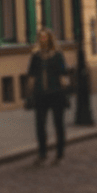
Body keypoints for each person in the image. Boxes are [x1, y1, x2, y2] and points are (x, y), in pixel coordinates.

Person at [26, 28, 70, 165]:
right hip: (40, 94)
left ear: (50, 39)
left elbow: (63, 74)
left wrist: (65, 89)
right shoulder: (36, 56)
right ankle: (42, 153)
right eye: (40, 37)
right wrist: (29, 92)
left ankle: (60, 154)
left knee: (58, 125)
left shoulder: (58, 55)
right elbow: (31, 75)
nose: (42, 39)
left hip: (56, 93)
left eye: (44, 37)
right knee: (40, 125)